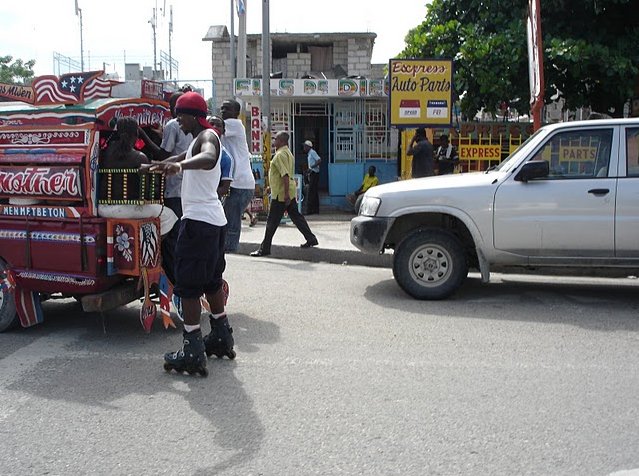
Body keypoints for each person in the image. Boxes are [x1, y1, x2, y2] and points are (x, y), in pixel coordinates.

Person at [144, 91, 234, 377]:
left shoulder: (208, 138)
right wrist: (160, 165)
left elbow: (207, 158)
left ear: (192, 116)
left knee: (189, 286)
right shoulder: (197, 139)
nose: (176, 120)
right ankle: (221, 335)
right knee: (211, 281)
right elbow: (181, 155)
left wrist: (179, 166)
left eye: (179, 115)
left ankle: (193, 351)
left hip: (198, 224)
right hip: (212, 222)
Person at [98, 117, 178, 236]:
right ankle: (147, 242)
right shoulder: (140, 157)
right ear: (136, 135)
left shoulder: (104, 154)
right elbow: (145, 193)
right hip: (130, 209)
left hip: (104, 209)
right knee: (171, 216)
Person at [250, 131, 319, 257]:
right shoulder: (288, 153)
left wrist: (285, 194)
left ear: (281, 141)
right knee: (296, 217)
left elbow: (285, 175)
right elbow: (281, 175)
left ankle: (264, 249)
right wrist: (272, 187)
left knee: (271, 222)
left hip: (281, 195)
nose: (273, 141)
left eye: (275, 139)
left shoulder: (280, 155)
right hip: (285, 191)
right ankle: (311, 239)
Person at [139, 91, 192, 218]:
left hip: (174, 185)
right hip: (188, 185)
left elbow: (163, 155)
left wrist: (142, 134)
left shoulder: (173, 124)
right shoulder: (191, 124)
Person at [220, 99, 256, 253]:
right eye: (222, 108)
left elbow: (208, 126)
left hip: (240, 184)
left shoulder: (234, 124)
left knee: (231, 222)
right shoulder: (226, 128)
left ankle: (229, 251)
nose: (223, 111)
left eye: (227, 108)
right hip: (237, 184)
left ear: (236, 113)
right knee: (227, 219)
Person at [207, 115, 234, 198]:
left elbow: (224, 188)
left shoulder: (226, 158)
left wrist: (206, 193)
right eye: (211, 124)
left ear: (223, 131)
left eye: (218, 125)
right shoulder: (195, 147)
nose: (214, 127)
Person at [303, 140, 321, 215]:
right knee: (314, 191)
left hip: (314, 173)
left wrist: (312, 167)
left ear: (308, 147)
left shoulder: (312, 152)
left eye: (305, 146)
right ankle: (315, 210)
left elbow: (319, 160)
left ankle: (309, 210)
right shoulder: (309, 154)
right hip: (312, 172)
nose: (304, 148)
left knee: (310, 192)